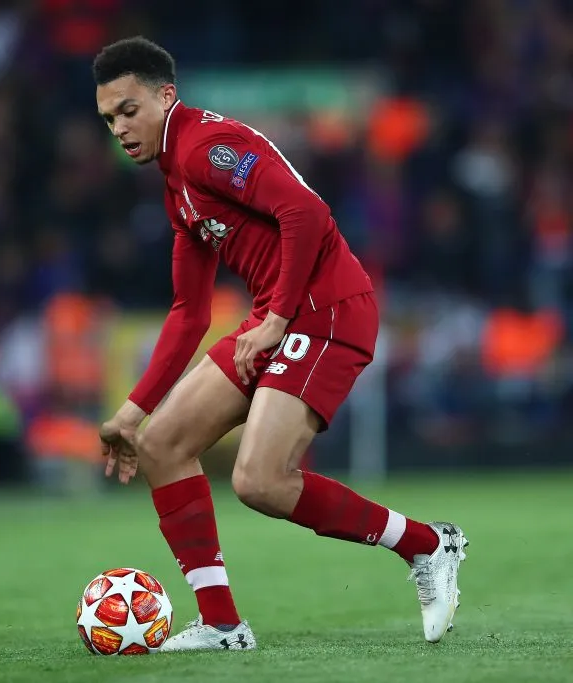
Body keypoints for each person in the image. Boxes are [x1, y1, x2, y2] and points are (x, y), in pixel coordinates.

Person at [92, 37, 467, 651]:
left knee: (259, 480)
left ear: (166, 96)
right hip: (280, 315)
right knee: (161, 444)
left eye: (129, 110)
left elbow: (306, 212)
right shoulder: (176, 183)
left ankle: (428, 544)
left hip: (327, 310)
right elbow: (189, 313)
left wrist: (277, 318)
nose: (119, 128)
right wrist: (131, 413)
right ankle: (222, 625)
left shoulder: (205, 149)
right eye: (109, 118)